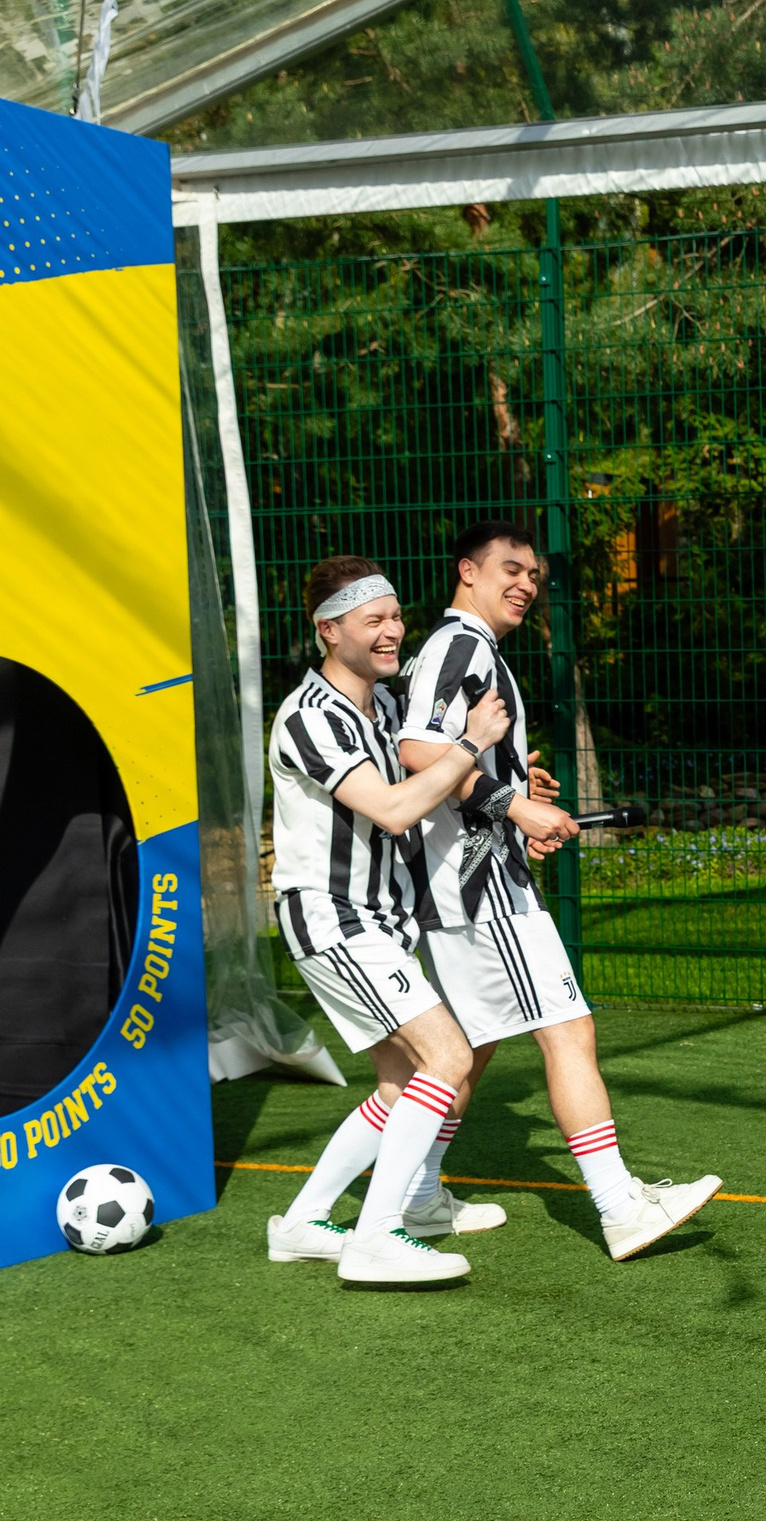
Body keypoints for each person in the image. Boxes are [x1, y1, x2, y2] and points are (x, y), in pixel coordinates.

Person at [397, 520, 720, 1260]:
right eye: (510, 569)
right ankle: (619, 1206)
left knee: (469, 1048)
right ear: (467, 571)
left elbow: (452, 761)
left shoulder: (471, 649)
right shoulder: (461, 646)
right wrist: (514, 807)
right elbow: (418, 749)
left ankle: (414, 1194)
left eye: (534, 576)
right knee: (568, 1030)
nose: (526, 585)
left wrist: (516, 789)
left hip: (468, 879)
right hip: (480, 887)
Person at [262, 556, 515, 1285]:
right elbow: (397, 808)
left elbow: (429, 789)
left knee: (402, 1086)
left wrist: (504, 792)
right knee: (450, 1057)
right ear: (328, 630)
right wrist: (469, 744)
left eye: (396, 616)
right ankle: (378, 1234)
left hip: (378, 920)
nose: (393, 631)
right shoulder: (309, 717)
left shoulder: (383, 707)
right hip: (334, 918)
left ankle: (304, 1221)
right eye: (372, 620)